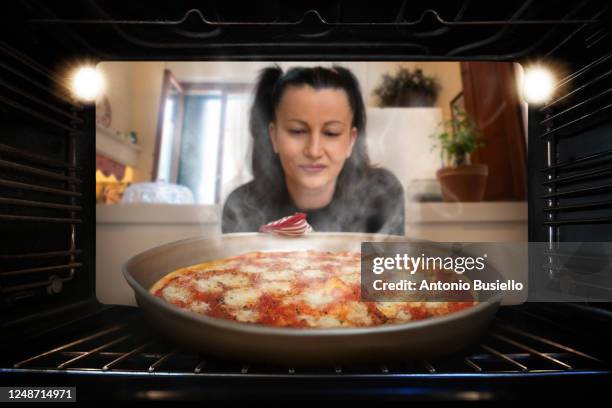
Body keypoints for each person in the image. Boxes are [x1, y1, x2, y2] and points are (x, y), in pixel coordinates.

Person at [222, 65, 405, 235]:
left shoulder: (383, 194)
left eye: (331, 133)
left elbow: (390, 268)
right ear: (274, 137)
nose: (314, 151)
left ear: (351, 141)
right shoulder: (241, 205)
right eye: (297, 131)